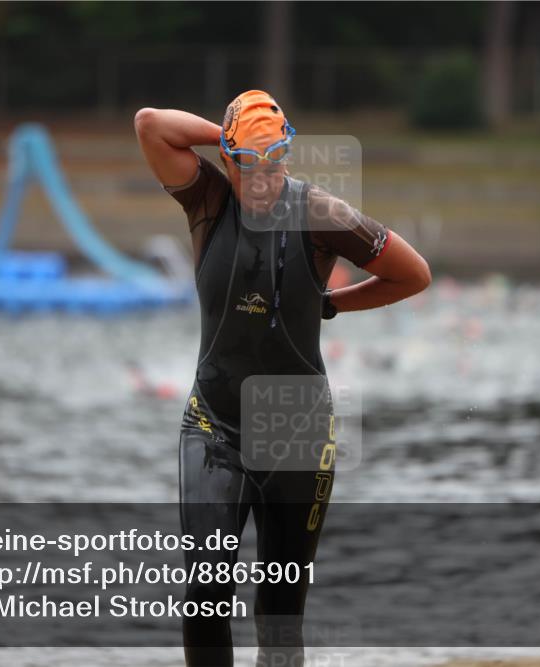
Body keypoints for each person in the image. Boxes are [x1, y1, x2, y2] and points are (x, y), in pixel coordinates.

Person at [134, 90, 430, 667]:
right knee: (205, 594)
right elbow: (150, 125)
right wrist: (225, 138)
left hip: (298, 431)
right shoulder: (208, 200)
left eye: (274, 164)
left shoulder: (320, 213)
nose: (264, 181)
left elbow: (412, 274)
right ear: (228, 161)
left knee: (279, 612)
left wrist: (332, 303)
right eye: (250, 166)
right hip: (214, 427)